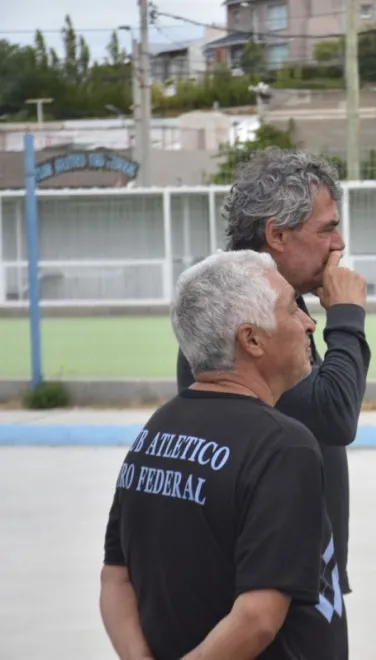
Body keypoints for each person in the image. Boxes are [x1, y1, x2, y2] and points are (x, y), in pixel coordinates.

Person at [100, 249, 347, 659]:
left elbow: (114, 579)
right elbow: (258, 617)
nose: (309, 323)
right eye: (292, 311)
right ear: (251, 339)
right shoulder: (283, 446)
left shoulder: (156, 431)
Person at [175, 147, 369, 655]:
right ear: (277, 234)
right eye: (326, 229)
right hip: (267, 587)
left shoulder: (276, 303)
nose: (339, 243)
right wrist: (346, 317)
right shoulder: (245, 315)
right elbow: (335, 415)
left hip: (297, 572)